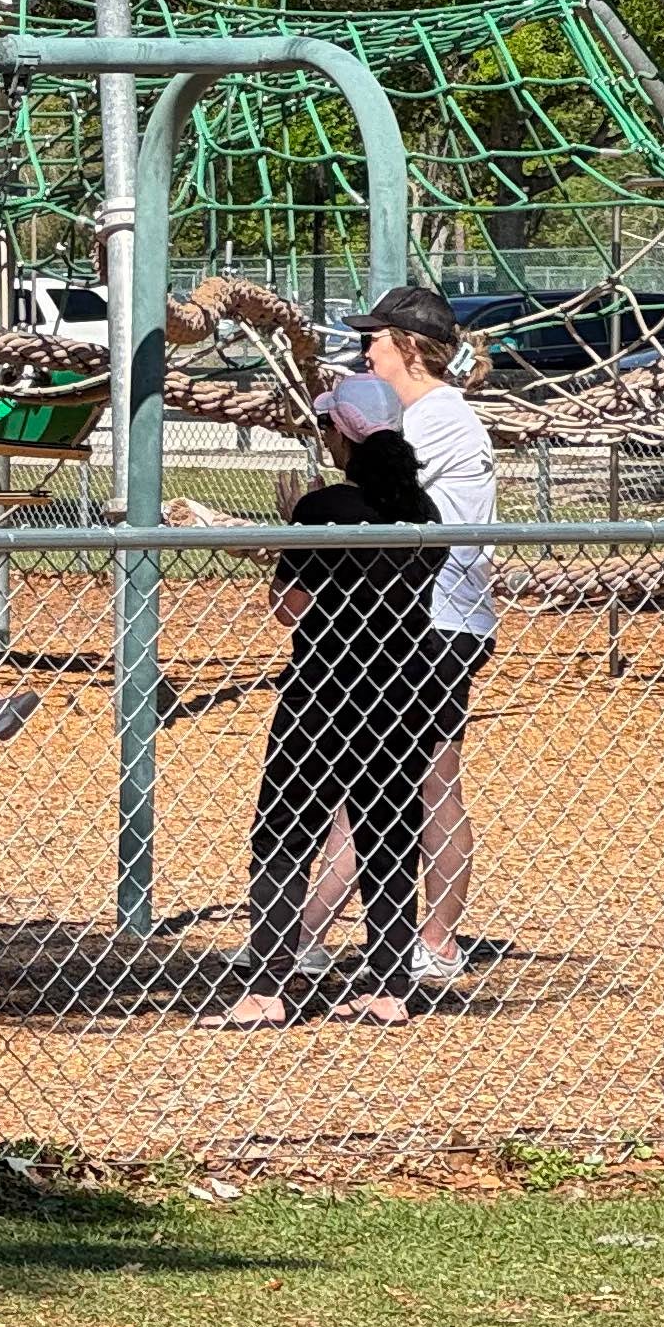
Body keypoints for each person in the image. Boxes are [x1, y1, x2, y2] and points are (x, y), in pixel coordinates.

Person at [218, 383, 453, 1028]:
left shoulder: (323, 507)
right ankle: (388, 986)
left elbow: (290, 606)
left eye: (328, 428)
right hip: (403, 688)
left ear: (343, 435)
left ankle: (267, 988)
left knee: (286, 833)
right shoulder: (421, 509)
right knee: (389, 834)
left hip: (325, 687)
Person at [334, 281, 499, 989]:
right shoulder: (419, 413)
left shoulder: (436, 416)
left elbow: (377, 502)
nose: (364, 349)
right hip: (413, 619)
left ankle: (435, 939)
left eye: (374, 338)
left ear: (407, 348)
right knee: (373, 780)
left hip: (438, 623)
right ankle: (302, 934)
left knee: (428, 783)